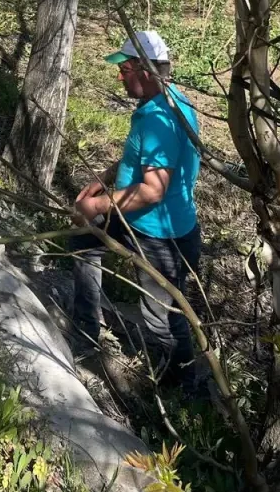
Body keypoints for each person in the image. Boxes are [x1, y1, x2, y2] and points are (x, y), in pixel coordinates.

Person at [69, 30, 203, 385]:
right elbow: (141, 159)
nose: (120, 76)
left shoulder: (162, 122)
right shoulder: (168, 102)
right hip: (137, 219)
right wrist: (104, 178)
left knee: (163, 317)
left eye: (126, 69)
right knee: (83, 242)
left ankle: (184, 390)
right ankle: (86, 327)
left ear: (146, 71)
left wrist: (94, 204)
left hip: (160, 236)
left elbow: (152, 191)